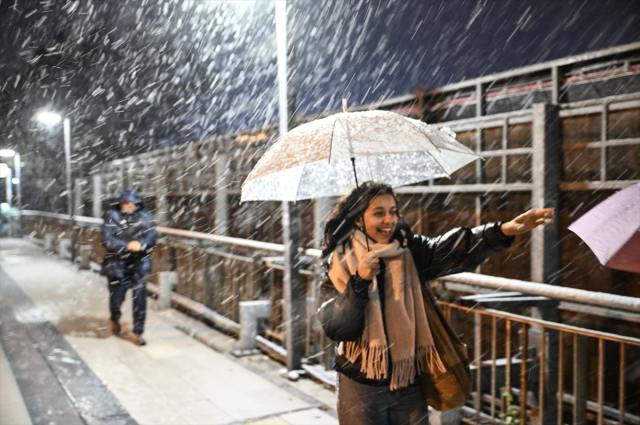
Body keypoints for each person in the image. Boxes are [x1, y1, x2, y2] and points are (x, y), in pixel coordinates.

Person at [317, 181, 553, 425]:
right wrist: (359, 282)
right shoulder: (339, 262)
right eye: (379, 213)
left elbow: (451, 249)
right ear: (358, 219)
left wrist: (502, 231)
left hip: (409, 381)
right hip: (360, 387)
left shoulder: (408, 250)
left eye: (393, 211)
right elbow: (337, 328)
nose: (389, 220)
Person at [101, 190, 158, 346]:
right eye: (126, 203)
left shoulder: (145, 215)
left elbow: (152, 235)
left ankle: (138, 332)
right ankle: (115, 317)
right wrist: (126, 246)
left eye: (133, 203)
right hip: (117, 265)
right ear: (121, 204)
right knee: (116, 299)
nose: (130, 206)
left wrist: (142, 245)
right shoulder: (113, 216)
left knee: (140, 301)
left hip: (139, 264)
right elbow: (107, 239)